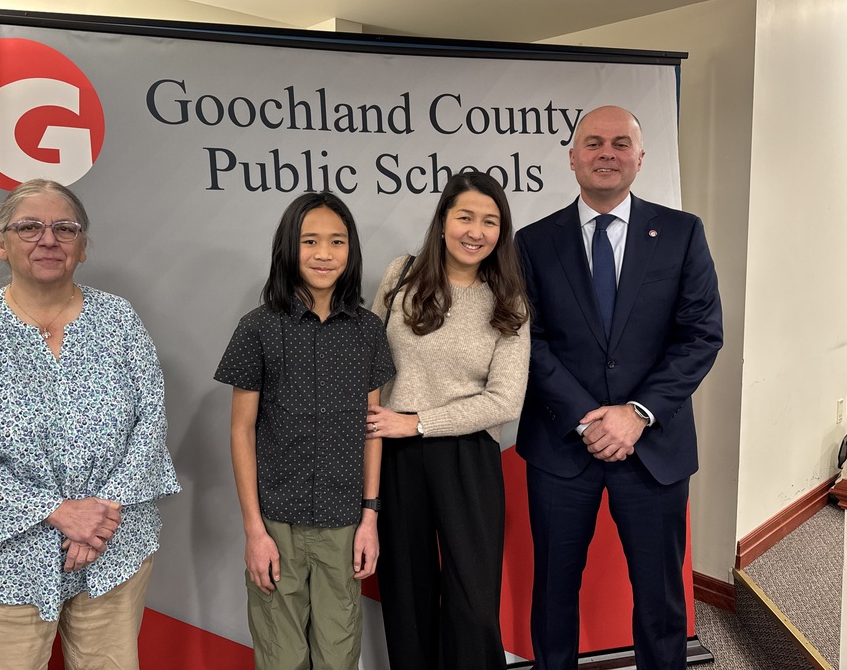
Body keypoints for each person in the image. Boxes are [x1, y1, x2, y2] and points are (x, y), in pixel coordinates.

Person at [0, 178, 180, 670]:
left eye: (65, 228)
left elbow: (151, 419)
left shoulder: (119, 320)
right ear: (1, 245)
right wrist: (60, 513)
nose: (48, 239)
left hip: (113, 544)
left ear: (82, 248)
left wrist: (98, 517)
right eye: (29, 227)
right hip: (4, 556)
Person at [515, 105, 723, 670]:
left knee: (660, 600)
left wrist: (636, 413)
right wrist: (588, 417)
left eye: (620, 143)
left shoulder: (681, 233)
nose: (607, 153)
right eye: (594, 143)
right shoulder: (532, 243)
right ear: (572, 157)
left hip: (653, 446)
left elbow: (701, 335)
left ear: (639, 157)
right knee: (554, 595)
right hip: (562, 446)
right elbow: (523, 340)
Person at [214, 192, 394, 670]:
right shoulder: (258, 328)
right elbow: (241, 432)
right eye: (310, 240)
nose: (323, 253)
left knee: (339, 655)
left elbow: (373, 429)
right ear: (287, 248)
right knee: (282, 658)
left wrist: (370, 518)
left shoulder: (368, 330)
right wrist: (254, 530)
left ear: (350, 251)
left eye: (337, 242)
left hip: (343, 522)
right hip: (277, 524)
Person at [366, 170, 531, 670]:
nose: (475, 231)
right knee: (408, 594)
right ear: (442, 222)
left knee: (473, 599)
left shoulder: (509, 301)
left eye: (490, 221)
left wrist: (415, 421)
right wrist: (387, 428)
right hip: (394, 458)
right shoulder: (401, 276)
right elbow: (369, 361)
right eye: (465, 217)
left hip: (467, 456)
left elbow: (505, 401)